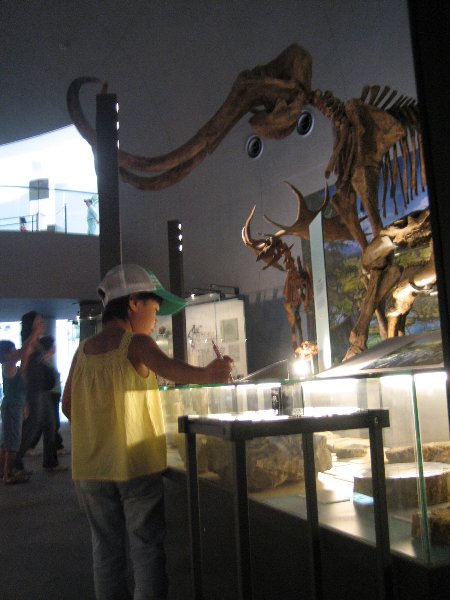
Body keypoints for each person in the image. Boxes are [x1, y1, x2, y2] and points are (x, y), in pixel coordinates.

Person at [62, 263, 233, 600]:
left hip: (92, 470)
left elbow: (68, 406)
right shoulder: (136, 344)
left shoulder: (82, 353)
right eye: (154, 310)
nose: (156, 320)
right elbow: (175, 370)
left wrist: (100, 427)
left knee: (106, 553)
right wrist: (210, 373)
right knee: (146, 549)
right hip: (135, 465)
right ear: (134, 303)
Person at [14, 312, 66, 474]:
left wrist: (45, 358)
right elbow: (23, 370)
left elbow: (38, 362)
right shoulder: (29, 343)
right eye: (39, 321)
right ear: (32, 324)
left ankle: (50, 462)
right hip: (33, 390)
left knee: (50, 424)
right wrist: (24, 400)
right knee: (32, 426)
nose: (42, 323)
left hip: (42, 389)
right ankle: (13, 462)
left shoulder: (37, 343)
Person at [0, 321, 41, 483]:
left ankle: (4, 472)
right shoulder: (9, 365)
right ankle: (7, 475)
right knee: (12, 442)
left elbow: (24, 352)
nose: (16, 351)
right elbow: (24, 351)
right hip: (12, 407)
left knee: (7, 441)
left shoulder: (11, 366)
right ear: (7, 354)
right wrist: (35, 332)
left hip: (13, 406)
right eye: (12, 349)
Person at [40, 335, 65, 452]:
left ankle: (57, 446)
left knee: (53, 422)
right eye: (53, 345)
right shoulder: (44, 360)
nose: (55, 347)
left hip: (54, 394)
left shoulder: (48, 359)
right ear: (49, 347)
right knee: (53, 422)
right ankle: (56, 447)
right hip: (51, 394)